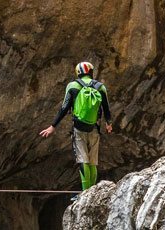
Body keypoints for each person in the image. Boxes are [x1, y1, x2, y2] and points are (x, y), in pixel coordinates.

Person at [39, 62, 113, 195]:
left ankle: (86, 193)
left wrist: (52, 126)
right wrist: (109, 123)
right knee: (93, 161)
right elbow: (106, 108)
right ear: (91, 72)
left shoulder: (73, 86)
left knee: (82, 159)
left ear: (78, 72)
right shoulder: (100, 87)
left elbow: (64, 107)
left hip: (79, 128)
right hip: (94, 127)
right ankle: (93, 191)